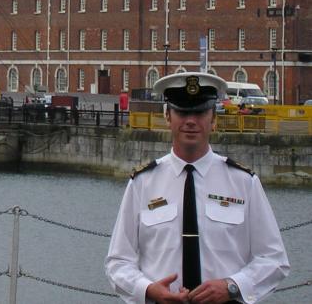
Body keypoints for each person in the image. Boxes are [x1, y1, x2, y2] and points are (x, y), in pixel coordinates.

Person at [105, 72, 289, 303]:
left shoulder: (244, 183)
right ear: (168, 117)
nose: (190, 120)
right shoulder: (142, 183)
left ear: (213, 119)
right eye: (182, 112)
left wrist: (232, 286)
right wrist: (148, 289)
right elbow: (118, 262)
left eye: (200, 112)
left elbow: (274, 259)